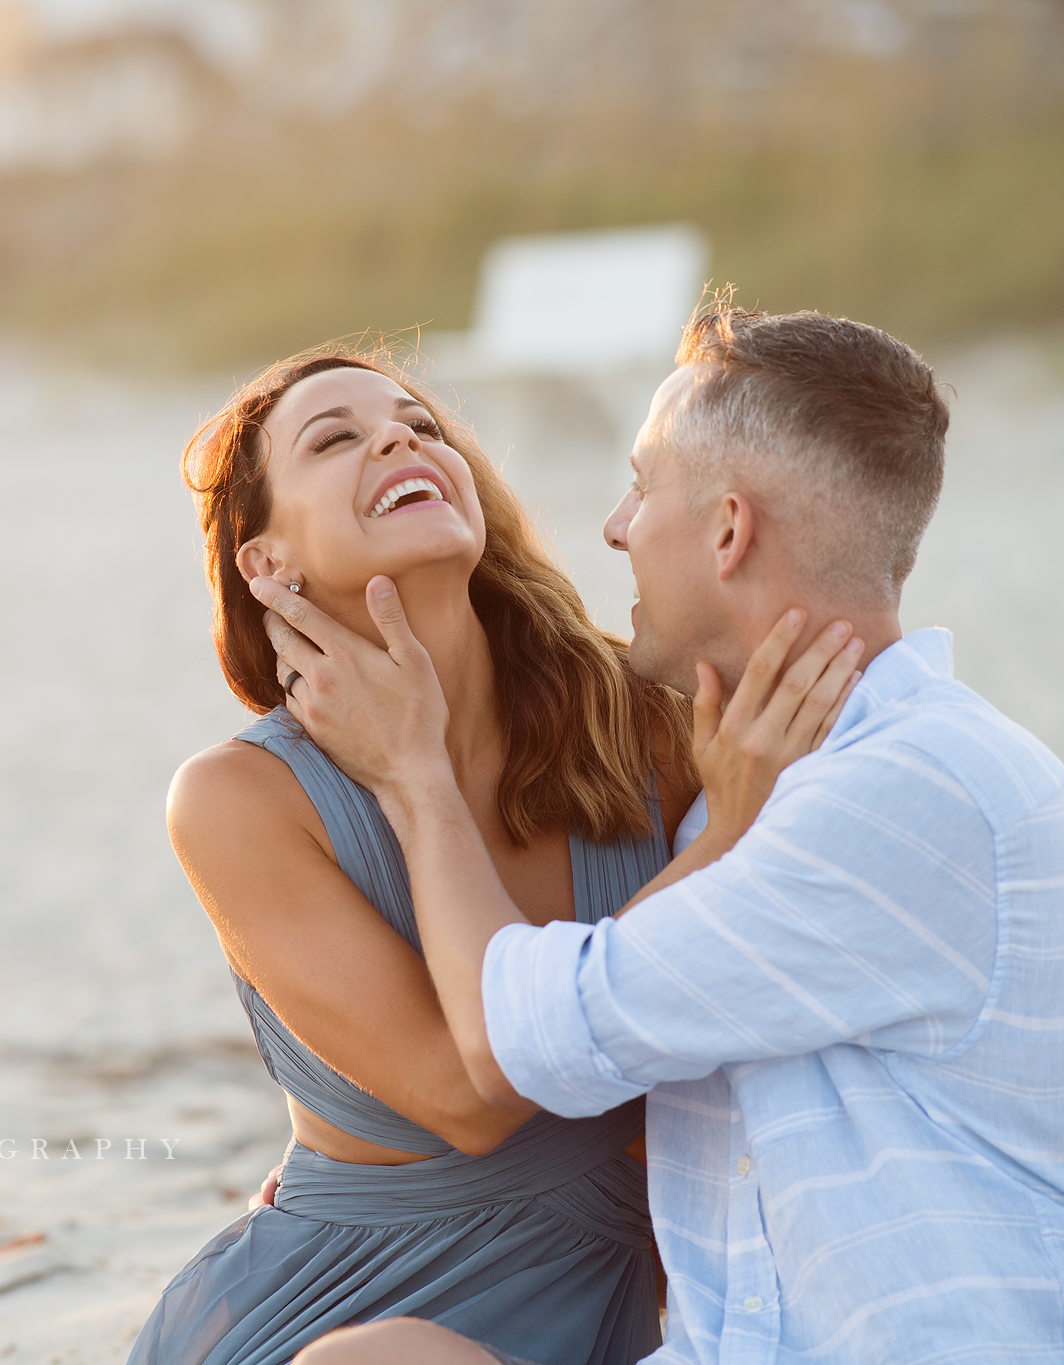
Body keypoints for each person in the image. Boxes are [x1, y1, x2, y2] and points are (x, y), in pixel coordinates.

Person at [251, 304, 1064, 1364]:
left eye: (639, 486)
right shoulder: (751, 772)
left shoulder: (891, 790)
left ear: (727, 532)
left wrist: (412, 775)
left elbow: (513, 1045)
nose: (612, 527)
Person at [128, 347, 861, 1365]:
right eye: (334, 438)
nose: (399, 438)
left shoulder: (646, 720)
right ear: (264, 561)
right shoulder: (239, 801)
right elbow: (468, 1095)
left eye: (420, 426)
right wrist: (726, 844)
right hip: (325, 1309)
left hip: (609, 1280)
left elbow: (826, 869)